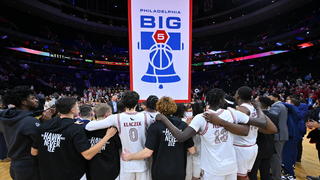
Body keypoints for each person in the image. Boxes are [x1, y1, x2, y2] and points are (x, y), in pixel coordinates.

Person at [156, 88, 252, 180]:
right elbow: (247, 130)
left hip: (212, 169)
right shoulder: (231, 113)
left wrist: (164, 119)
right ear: (221, 101)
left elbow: (181, 137)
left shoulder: (201, 118)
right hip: (231, 165)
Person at [33, 97, 117, 180]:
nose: (79, 109)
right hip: (71, 174)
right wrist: (107, 136)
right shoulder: (76, 128)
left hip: (47, 173)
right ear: (72, 110)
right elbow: (88, 155)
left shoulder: (44, 126)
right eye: (77, 106)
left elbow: (34, 152)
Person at [85, 91, 155, 180]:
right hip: (143, 161)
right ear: (137, 102)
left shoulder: (116, 118)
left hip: (126, 162)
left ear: (123, 102)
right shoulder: (146, 117)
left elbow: (89, 126)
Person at [122, 97, 195, 180]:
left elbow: (147, 153)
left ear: (158, 108)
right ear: (174, 107)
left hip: (160, 172)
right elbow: (192, 150)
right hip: (178, 171)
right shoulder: (183, 125)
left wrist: (129, 157)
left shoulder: (155, 126)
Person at [234, 87, 277, 180]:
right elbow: (273, 129)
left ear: (238, 96)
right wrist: (257, 129)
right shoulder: (255, 109)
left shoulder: (241, 109)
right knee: (245, 176)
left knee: (240, 177)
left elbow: (244, 131)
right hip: (252, 147)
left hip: (241, 148)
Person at [0, 86, 40, 180]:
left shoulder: (4, 118)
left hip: (14, 165)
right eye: (32, 98)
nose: (36, 100)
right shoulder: (30, 121)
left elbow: (21, 129)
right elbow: (40, 143)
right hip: (29, 167)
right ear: (24, 102)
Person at [85, 103, 122, 180]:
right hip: (111, 171)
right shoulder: (113, 130)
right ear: (107, 115)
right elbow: (120, 149)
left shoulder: (86, 129)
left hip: (91, 170)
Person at [248, 96, 279, 180]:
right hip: (269, 148)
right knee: (265, 174)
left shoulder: (255, 116)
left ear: (259, 104)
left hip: (258, 148)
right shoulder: (274, 116)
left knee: (252, 174)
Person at [268, 93, 288, 180]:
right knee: (276, 157)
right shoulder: (280, 105)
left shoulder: (277, 106)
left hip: (278, 135)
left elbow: (271, 117)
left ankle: (276, 177)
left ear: (276, 98)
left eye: (270, 96)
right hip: (281, 134)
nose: (269, 98)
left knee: (276, 157)